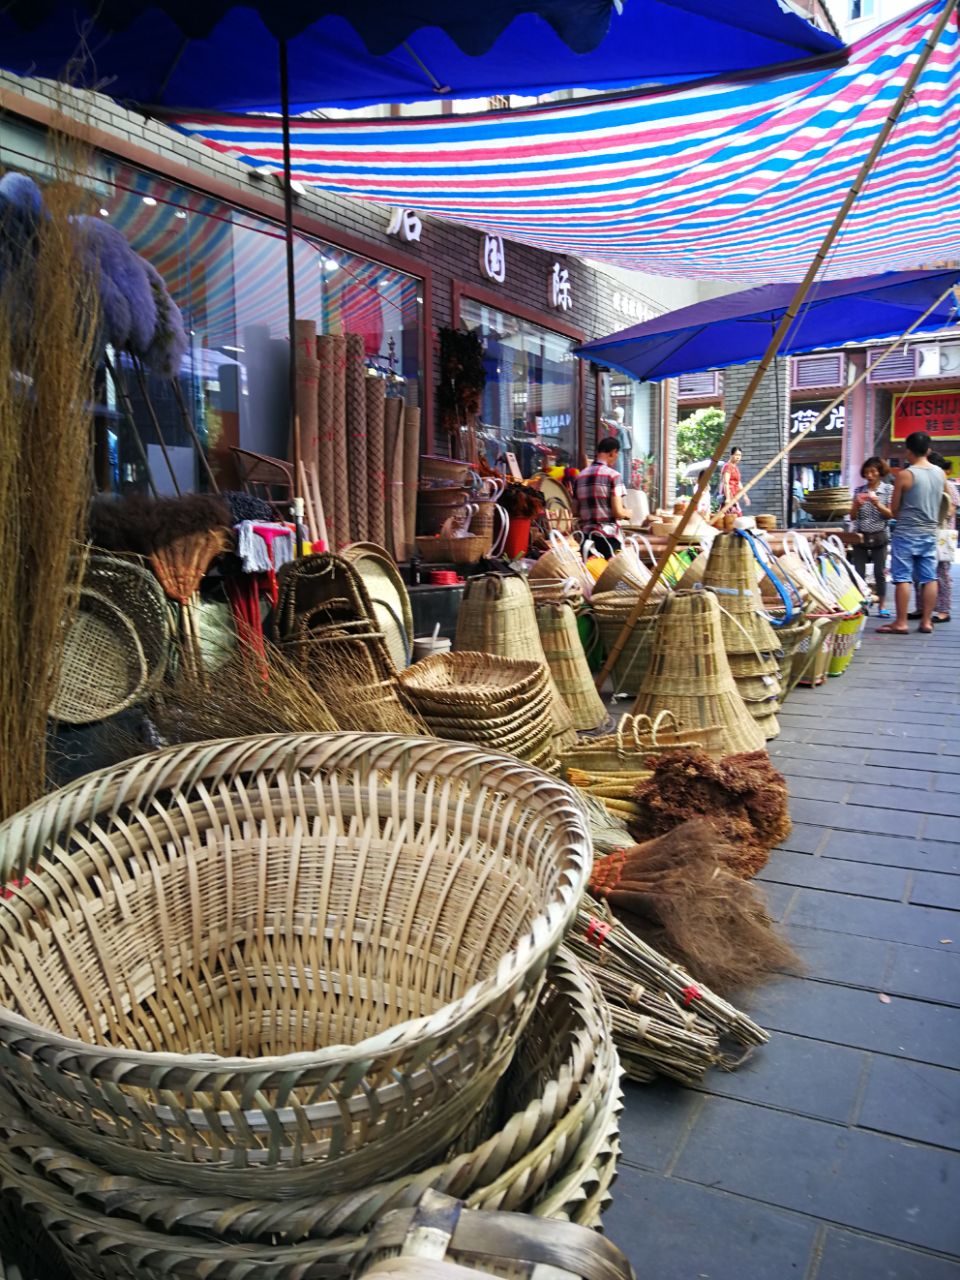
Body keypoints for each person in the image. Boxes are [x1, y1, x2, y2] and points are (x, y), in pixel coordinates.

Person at [877, 430, 945, 635]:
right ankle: (926, 622)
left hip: (906, 532)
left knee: (902, 578)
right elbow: (945, 501)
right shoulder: (940, 473)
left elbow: (894, 509)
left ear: (908, 451)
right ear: (928, 450)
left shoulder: (905, 475)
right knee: (929, 577)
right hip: (929, 531)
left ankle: (901, 622)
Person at [849, 456, 894, 617]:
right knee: (858, 573)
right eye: (867, 472)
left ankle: (882, 606)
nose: (869, 475)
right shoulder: (858, 491)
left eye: (873, 471)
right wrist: (856, 505)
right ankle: (861, 605)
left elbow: (890, 514)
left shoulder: (888, 489)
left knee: (879, 573)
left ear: (880, 472)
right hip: (860, 537)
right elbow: (852, 517)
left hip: (880, 536)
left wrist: (877, 503)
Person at [574, 435, 629, 556]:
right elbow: (618, 512)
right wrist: (628, 513)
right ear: (613, 453)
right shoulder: (614, 476)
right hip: (608, 540)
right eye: (617, 454)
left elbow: (575, 511)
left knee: (590, 568)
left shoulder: (580, 476)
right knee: (610, 568)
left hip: (587, 539)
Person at [929, 451, 959, 623]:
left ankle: (944, 610)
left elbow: (949, 511)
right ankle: (923, 607)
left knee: (942, 573)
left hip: (942, 536)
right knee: (923, 573)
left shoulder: (949, 486)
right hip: (926, 533)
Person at [720, 447, 750, 514]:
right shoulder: (727, 466)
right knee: (731, 515)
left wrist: (745, 495)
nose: (738, 457)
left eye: (740, 455)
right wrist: (727, 498)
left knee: (734, 515)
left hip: (734, 496)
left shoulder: (735, 467)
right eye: (736, 455)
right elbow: (725, 483)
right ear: (731, 455)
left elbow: (738, 482)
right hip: (728, 495)